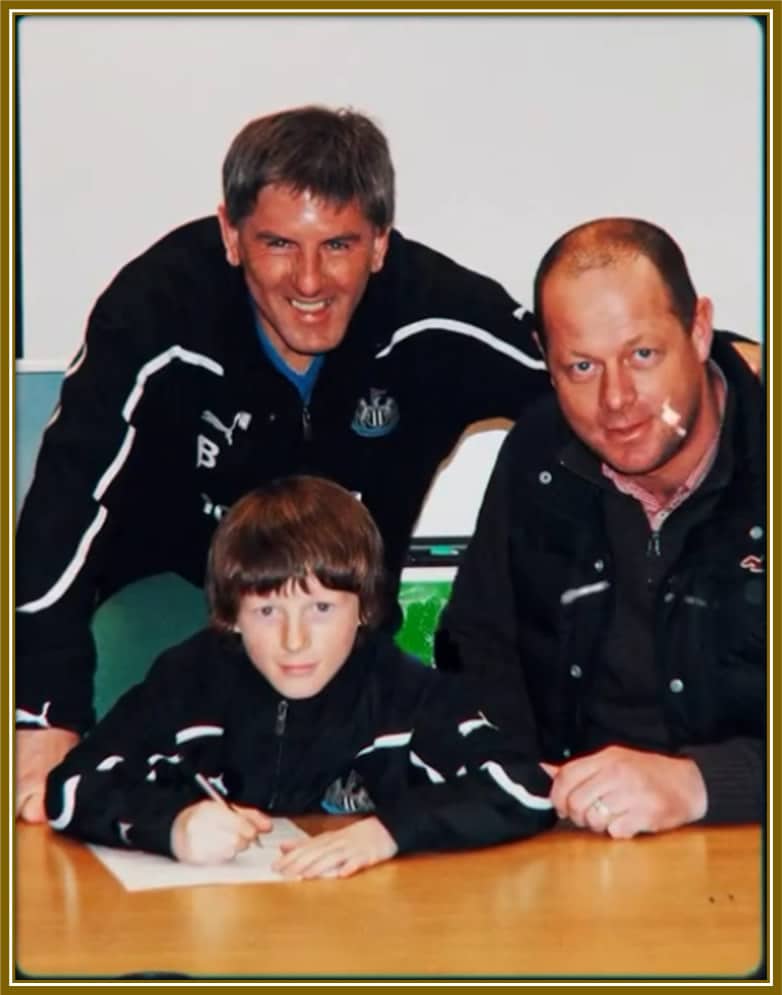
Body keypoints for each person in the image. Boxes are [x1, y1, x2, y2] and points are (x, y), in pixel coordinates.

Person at [14, 104, 758, 822]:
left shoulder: (432, 308)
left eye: (337, 245)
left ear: (379, 243)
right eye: (279, 244)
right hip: (173, 618)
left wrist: (732, 364)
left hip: (349, 648)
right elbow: (60, 513)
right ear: (231, 235)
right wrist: (42, 714)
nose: (310, 282)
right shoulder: (153, 312)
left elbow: (585, 363)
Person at [44, 476, 555, 877]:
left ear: (364, 610)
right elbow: (70, 788)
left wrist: (388, 832)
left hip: (358, 935)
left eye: (321, 609)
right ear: (230, 615)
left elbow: (525, 788)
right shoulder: (186, 683)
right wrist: (173, 827)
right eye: (267, 612)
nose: (294, 640)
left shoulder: (405, 694)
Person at [436, 218, 765, 840]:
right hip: (572, 846)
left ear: (699, 330)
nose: (616, 399)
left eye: (642, 355)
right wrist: (517, 784)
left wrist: (700, 783)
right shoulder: (537, 456)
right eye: (582, 367)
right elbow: (478, 643)